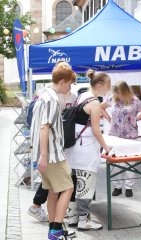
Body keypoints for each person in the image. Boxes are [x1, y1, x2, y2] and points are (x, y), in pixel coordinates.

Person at [30, 63, 76, 240]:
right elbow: (45, 127)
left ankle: (53, 229)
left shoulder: (44, 95)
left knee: (52, 190)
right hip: (52, 154)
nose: (70, 87)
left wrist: (41, 154)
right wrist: (44, 155)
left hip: (47, 153)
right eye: (70, 83)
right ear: (62, 81)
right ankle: (56, 230)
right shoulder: (52, 99)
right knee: (68, 187)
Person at [64, 69, 112, 231]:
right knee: (85, 184)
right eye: (108, 85)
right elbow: (97, 131)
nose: (108, 89)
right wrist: (106, 148)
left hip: (73, 148)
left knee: (74, 182)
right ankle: (84, 221)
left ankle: (72, 217)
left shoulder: (82, 96)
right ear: (100, 85)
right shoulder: (94, 103)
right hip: (86, 149)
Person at [101, 81, 141, 197]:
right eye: (115, 92)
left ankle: (129, 187)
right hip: (115, 135)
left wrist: (136, 119)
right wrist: (109, 119)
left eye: (118, 92)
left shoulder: (134, 100)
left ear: (124, 91)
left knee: (130, 162)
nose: (117, 95)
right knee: (114, 161)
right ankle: (117, 186)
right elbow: (100, 107)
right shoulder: (112, 99)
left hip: (130, 135)